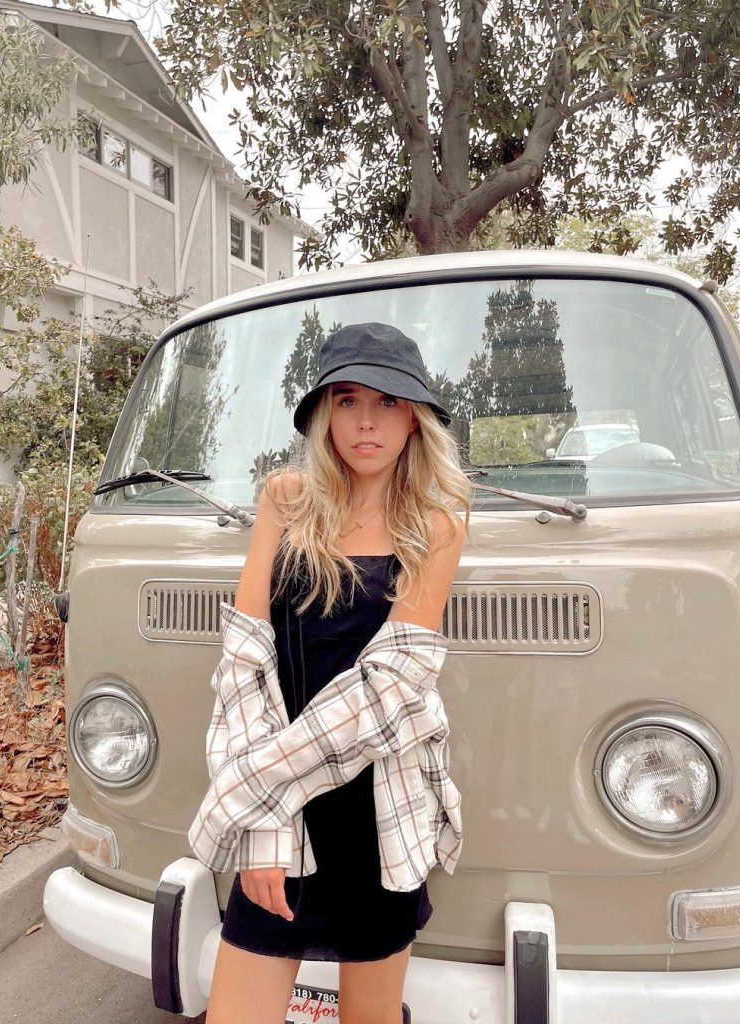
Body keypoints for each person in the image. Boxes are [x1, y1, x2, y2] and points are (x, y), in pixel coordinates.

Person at [190, 322, 469, 1024]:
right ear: (322, 413)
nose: (365, 420)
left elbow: (390, 686)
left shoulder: (437, 523)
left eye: (387, 401)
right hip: (283, 805)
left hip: (378, 811)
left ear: (415, 418)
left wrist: (248, 791)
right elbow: (246, 658)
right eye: (346, 399)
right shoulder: (284, 499)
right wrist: (264, 825)